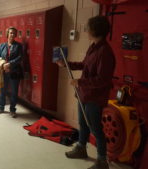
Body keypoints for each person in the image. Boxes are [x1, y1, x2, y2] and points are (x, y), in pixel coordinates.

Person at [56, 16, 115, 169]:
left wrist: (80, 82)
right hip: (84, 94)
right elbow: (84, 65)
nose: (86, 30)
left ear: (95, 30)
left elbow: (102, 79)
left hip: (95, 98)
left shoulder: (105, 52)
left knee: (95, 128)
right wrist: (67, 64)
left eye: (88, 28)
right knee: (83, 124)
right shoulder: (93, 47)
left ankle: (102, 161)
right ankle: (81, 148)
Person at [0, 27, 23, 118]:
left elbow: (20, 58)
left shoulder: (18, 45)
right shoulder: (2, 45)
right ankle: (1, 107)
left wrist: (10, 64)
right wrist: (3, 65)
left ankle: (12, 110)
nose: (12, 35)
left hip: (14, 71)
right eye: (10, 33)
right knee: (2, 91)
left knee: (14, 92)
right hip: (3, 71)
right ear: (7, 34)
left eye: (14, 33)